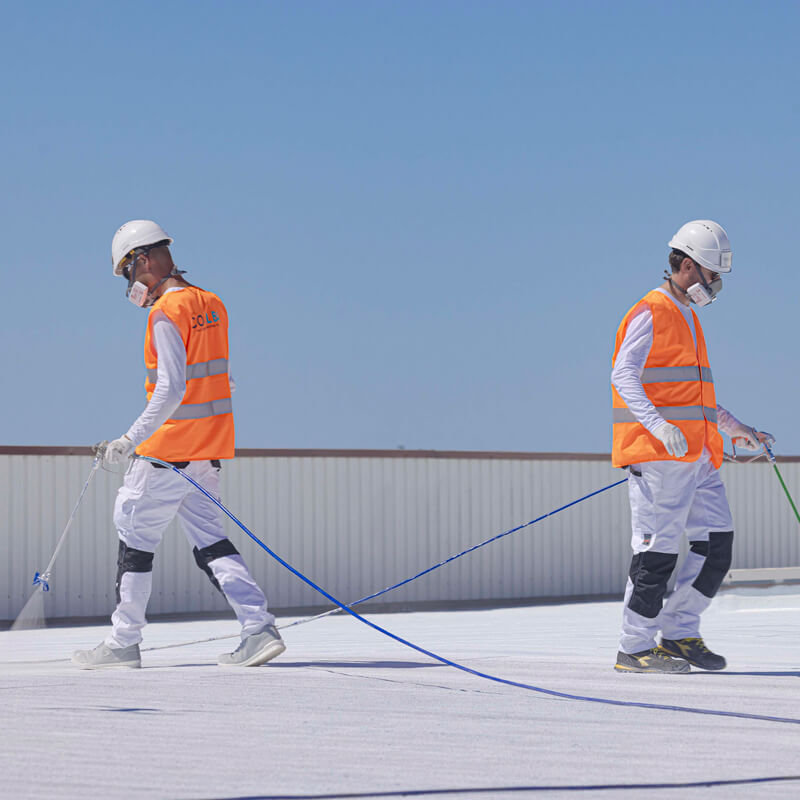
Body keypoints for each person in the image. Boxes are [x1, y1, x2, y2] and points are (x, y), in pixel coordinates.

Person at [72, 220, 285, 669]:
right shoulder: (213, 303)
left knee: (134, 539)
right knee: (213, 543)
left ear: (142, 261)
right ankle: (258, 627)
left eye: (127, 273)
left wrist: (128, 441)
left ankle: (123, 642)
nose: (130, 284)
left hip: (165, 455)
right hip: (207, 453)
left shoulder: (164, 312)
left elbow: (171, 388)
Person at [611, 220, 773, 673]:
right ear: (686, 265)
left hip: (699, 456)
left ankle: (680, 631)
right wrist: (659, 427)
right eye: (711, 273)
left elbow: (691, 397)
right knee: (656, 552)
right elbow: (623, 376)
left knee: (716, 544)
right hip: (661, 457)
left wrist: (735, 426)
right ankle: (635, 646)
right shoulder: (651, 311)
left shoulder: (688, 316)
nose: (715, 284)